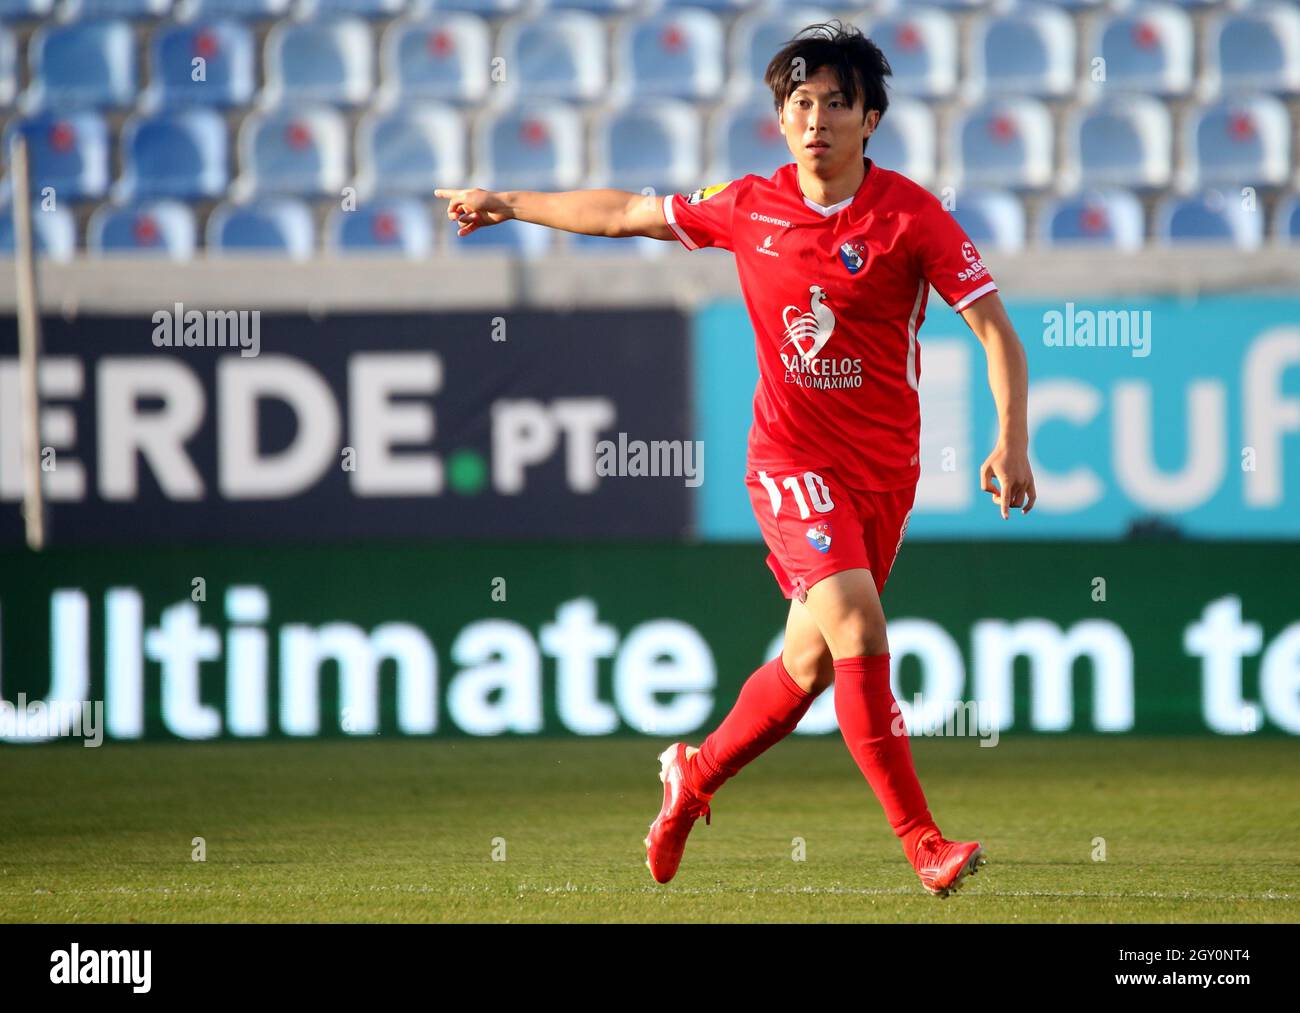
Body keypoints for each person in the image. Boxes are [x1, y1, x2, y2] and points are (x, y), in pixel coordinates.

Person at [435, 20, 1036, 897]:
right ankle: (923, 844)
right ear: (780, 118)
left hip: (883, 476)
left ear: (871, 117)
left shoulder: (911, 216)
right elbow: (624, 214)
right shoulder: (749, 204)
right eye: (801, 102)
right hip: (789, 461)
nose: (817, 118)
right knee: (861, 627)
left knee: (809, 666)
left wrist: (1011, 438)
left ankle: (692, 775)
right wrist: (506, 201)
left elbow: (994, 329)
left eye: (838, 101)